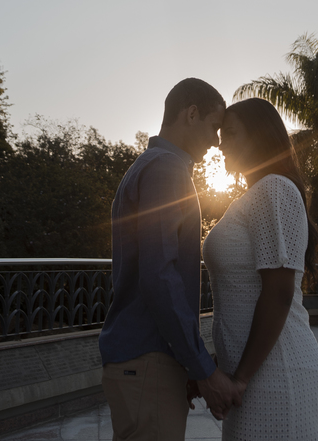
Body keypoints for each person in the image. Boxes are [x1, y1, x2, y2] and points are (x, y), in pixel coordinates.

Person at [99, 78, 245, 440]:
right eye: (214, 127)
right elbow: (159, 277)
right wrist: (202, 370)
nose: (216, 140)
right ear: (191, 114)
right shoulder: (166, 169)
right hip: (147, 360)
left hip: (143, 360)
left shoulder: (153, 165)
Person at [202, 97, 318, 441]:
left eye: (229, 133)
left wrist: (240, 378)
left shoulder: (274, 189)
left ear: (257, 137)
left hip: (277, 373)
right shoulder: (253, 195)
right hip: (253, 374)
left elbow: (279, 293)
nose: (220, 143)